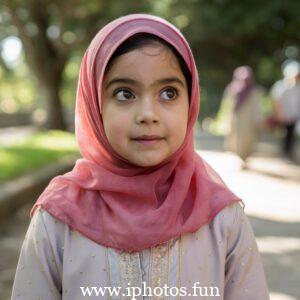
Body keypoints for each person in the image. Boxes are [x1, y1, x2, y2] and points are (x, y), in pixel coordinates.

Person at [11, 14, 269, 300]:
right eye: (124, 93)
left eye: (169, 93)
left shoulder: (222, 219)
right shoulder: (58, 218)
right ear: (95, 104)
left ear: (191, 101)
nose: (148, 114)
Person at [220, 66, 264, 167]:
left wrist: (258, 119)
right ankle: (240, 158)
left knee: (248, 140)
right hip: (236, 119)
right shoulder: (232, 89)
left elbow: (258, 107)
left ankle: (245, 158)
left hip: (249, 121)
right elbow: (227, 104)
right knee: (236, 139)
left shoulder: (255, 91)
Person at [270, 60, 300, 158]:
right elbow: (276, 101)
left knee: (291, 136)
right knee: (284, 135)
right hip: (284, 115)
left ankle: (289, 152)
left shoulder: (298, 87)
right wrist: (279, 114)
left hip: (295, 116)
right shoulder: (280, 86)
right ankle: (284, 152)